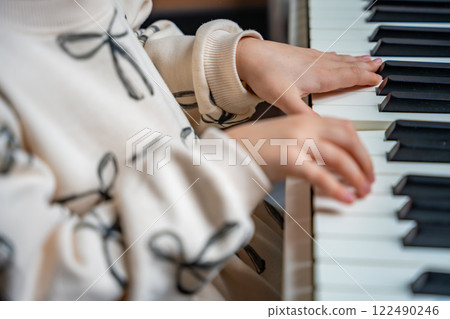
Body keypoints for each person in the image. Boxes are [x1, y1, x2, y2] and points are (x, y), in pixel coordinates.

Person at [0, 0, 380, 300]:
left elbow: (118, 54)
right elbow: (51, 287)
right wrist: (232, 163)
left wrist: (231, 63)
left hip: (254, 256)